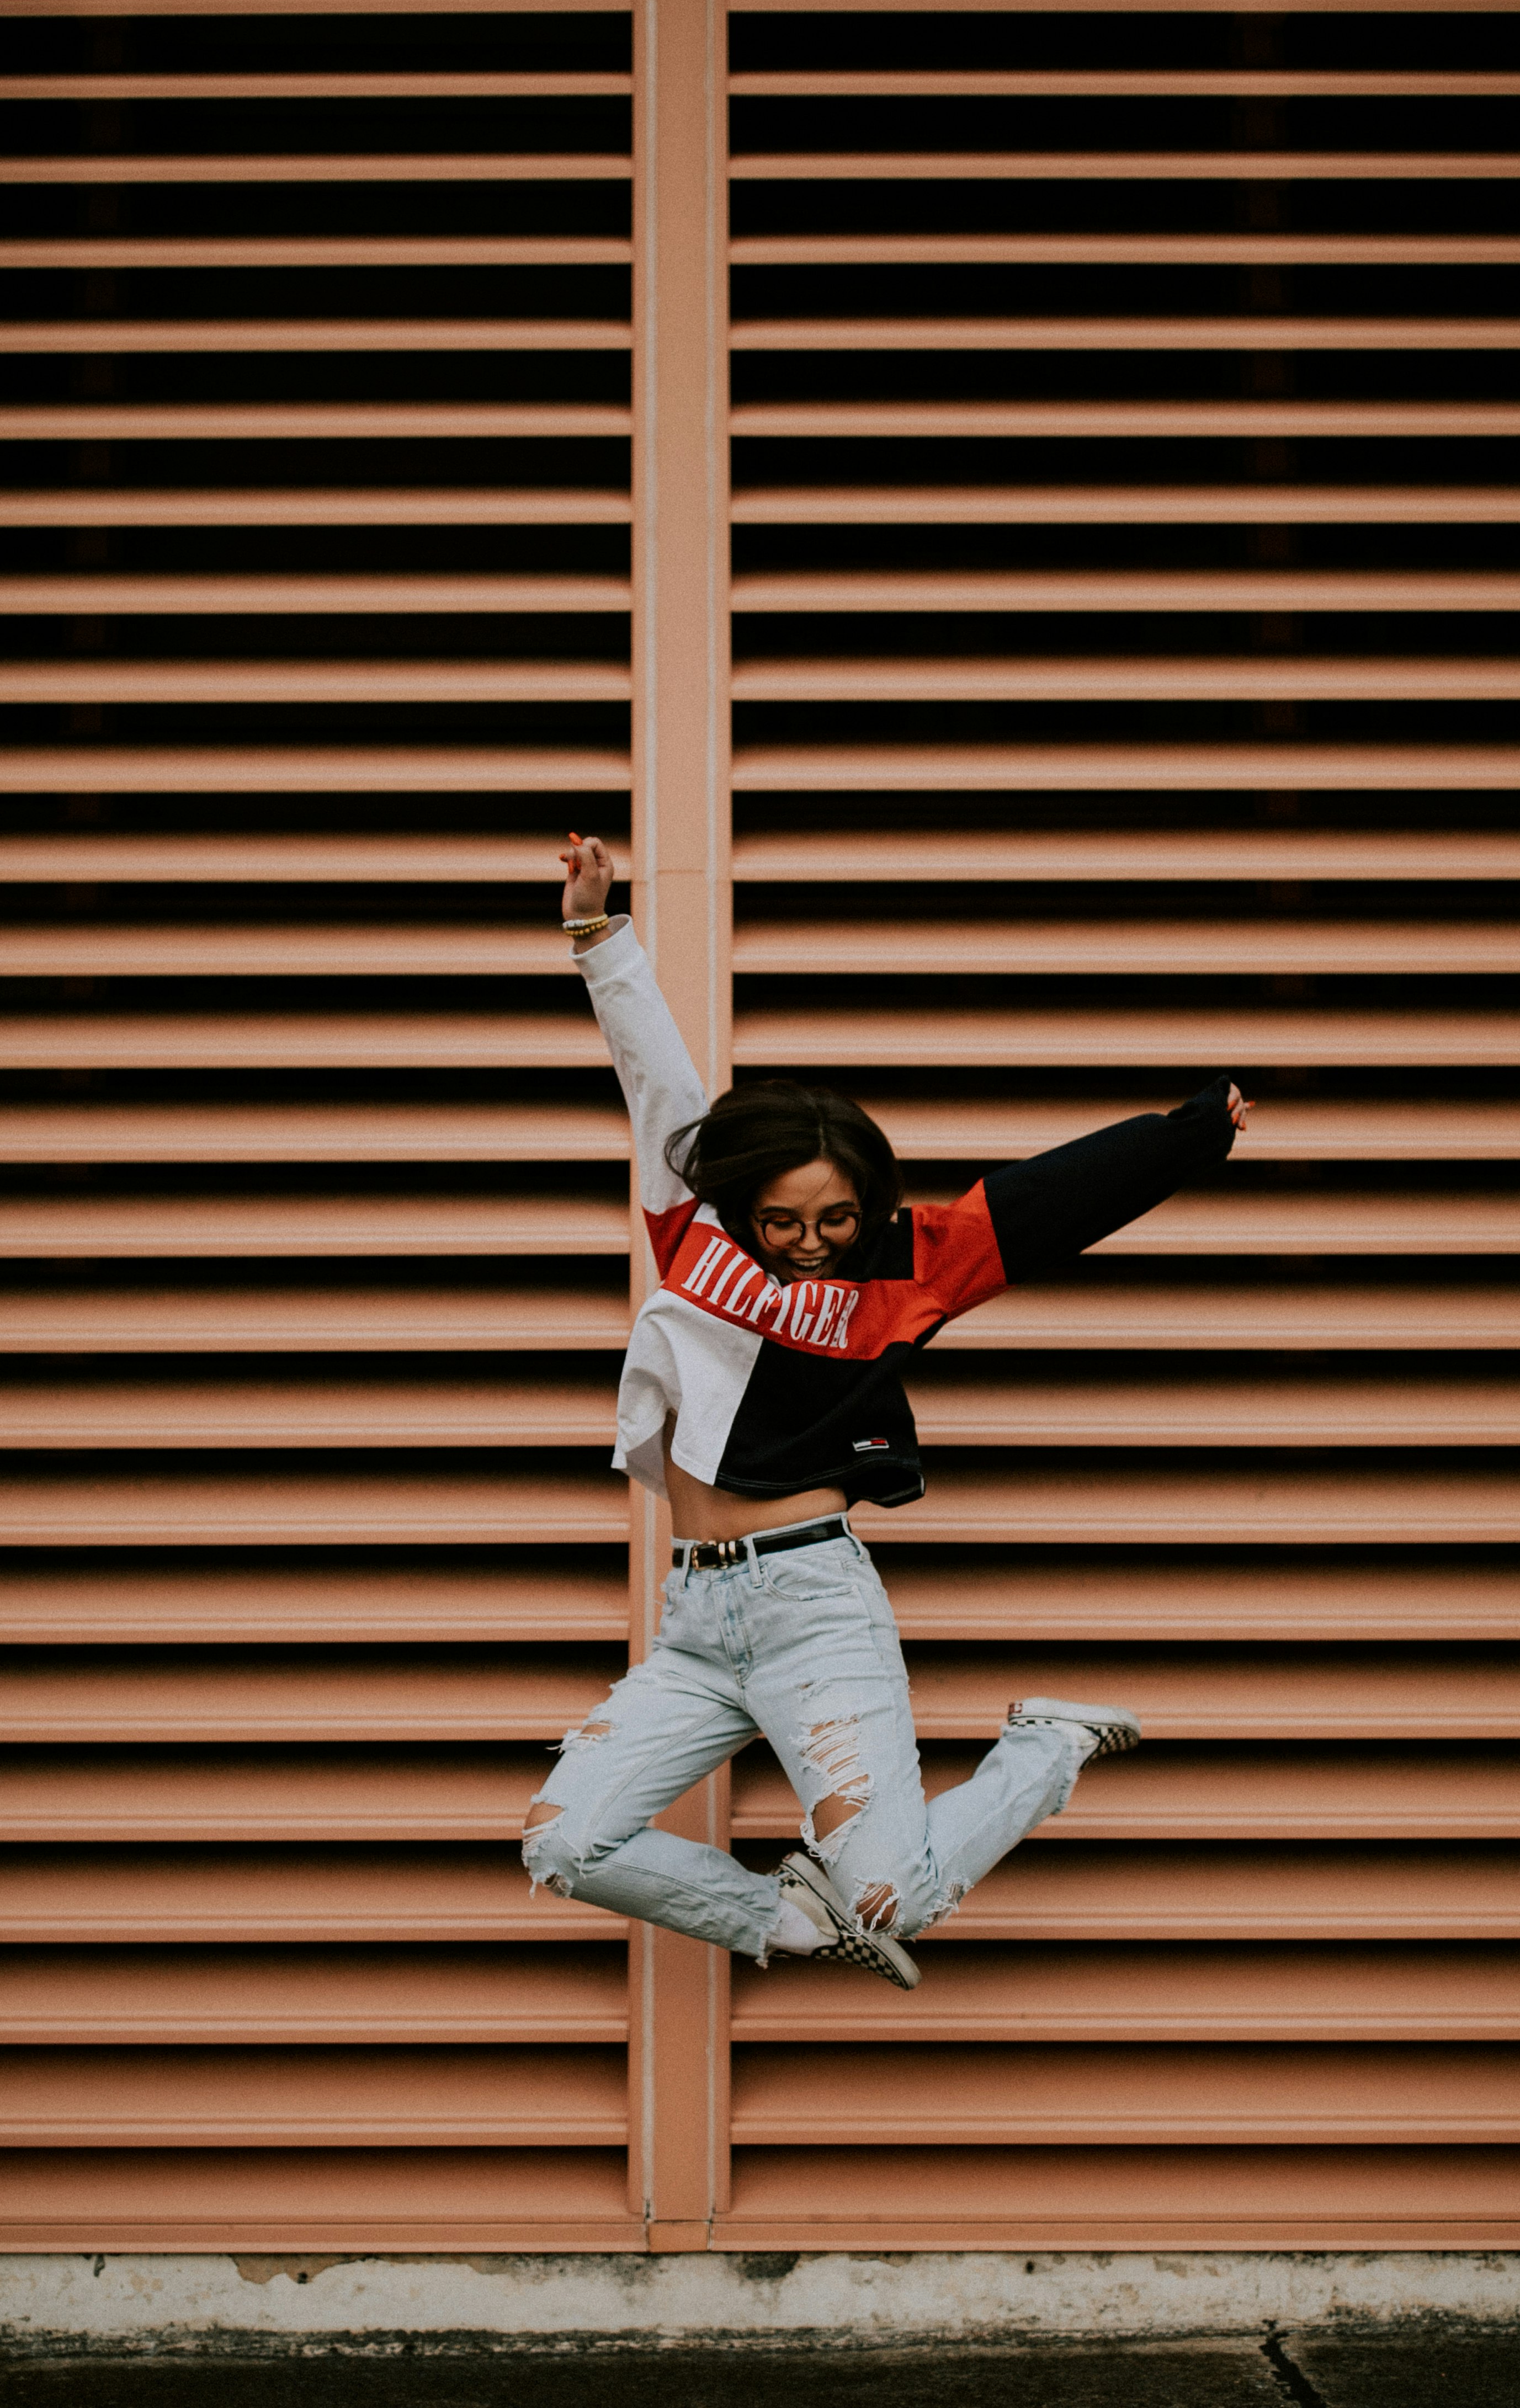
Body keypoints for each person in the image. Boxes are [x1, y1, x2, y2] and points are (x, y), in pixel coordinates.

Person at [523, 834, 1252, 1987]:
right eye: (785, 1223)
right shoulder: (689, 1229)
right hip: (697, 1621)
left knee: (896, 1900)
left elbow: (1047, 1200)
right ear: (739, 1204)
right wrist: (597, 932)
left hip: (813, 1604)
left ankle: (1043, 1751)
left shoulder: (913, 1267)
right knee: (563, 1842)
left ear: (868, 1204)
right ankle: (789, 1922)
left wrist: (1191, 1131)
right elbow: (655, 1073)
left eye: (836, 1221)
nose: (813, 1244)